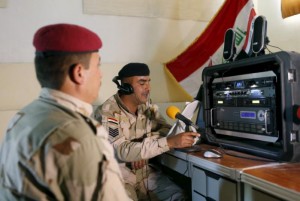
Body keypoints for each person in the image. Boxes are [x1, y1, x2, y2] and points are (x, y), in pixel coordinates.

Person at [0, 23, 130, 201]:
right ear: (79, 73)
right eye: (98, 66)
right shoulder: (79, 137)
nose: (101, 75)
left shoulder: (25, 115)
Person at [94, 63, 200, 201]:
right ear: (126, 87)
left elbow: (165, 129)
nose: (148, 88)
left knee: (180, 197)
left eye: (149, 82)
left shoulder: (147, 106)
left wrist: (144, 148)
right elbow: (121, 150)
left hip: (146, 173)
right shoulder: (107, 112)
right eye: (142, 83)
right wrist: (167, 143)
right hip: (119, 177)